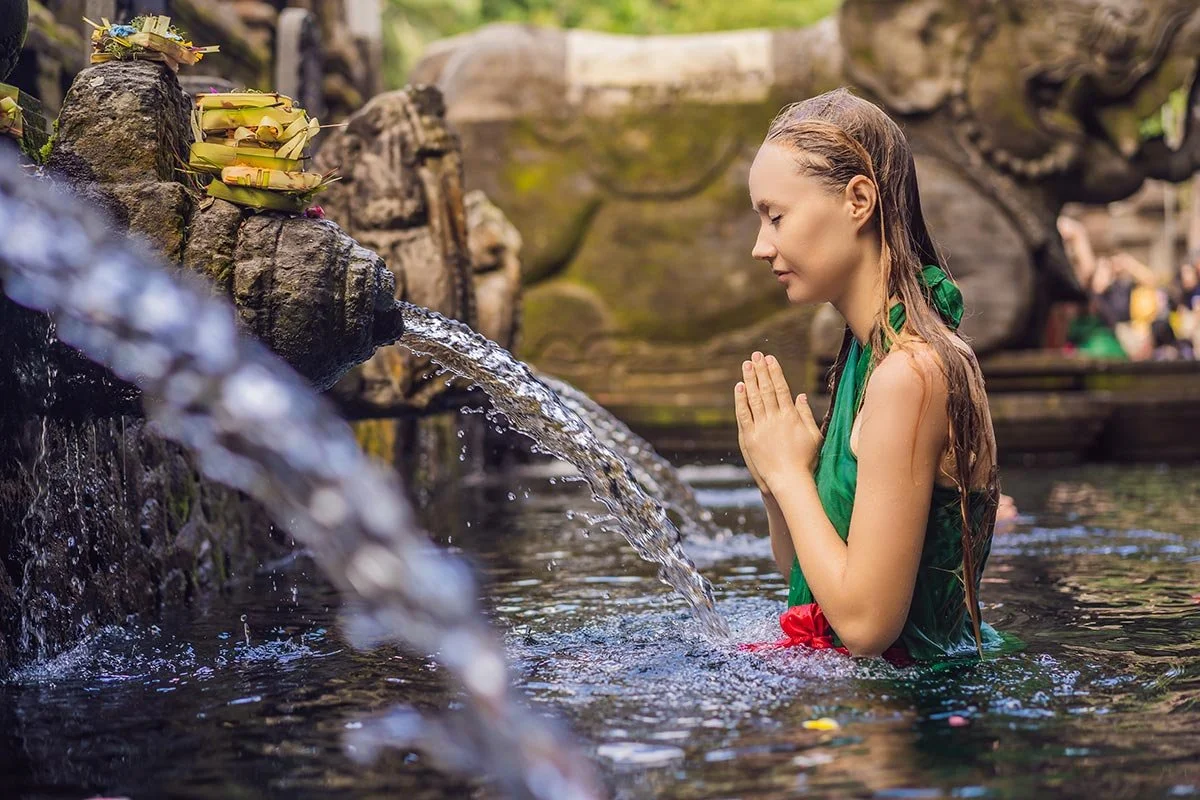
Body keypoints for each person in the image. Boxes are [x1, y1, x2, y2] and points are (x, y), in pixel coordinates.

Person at [734, 88, 1005, 662]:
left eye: (776, 217)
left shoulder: (911, 373)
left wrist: (790, 477)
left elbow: (864, 624)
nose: (761, 247)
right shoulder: (868, 357)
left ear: (859, 200)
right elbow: (813, 573)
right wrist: (778, 481)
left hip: (907, 735)